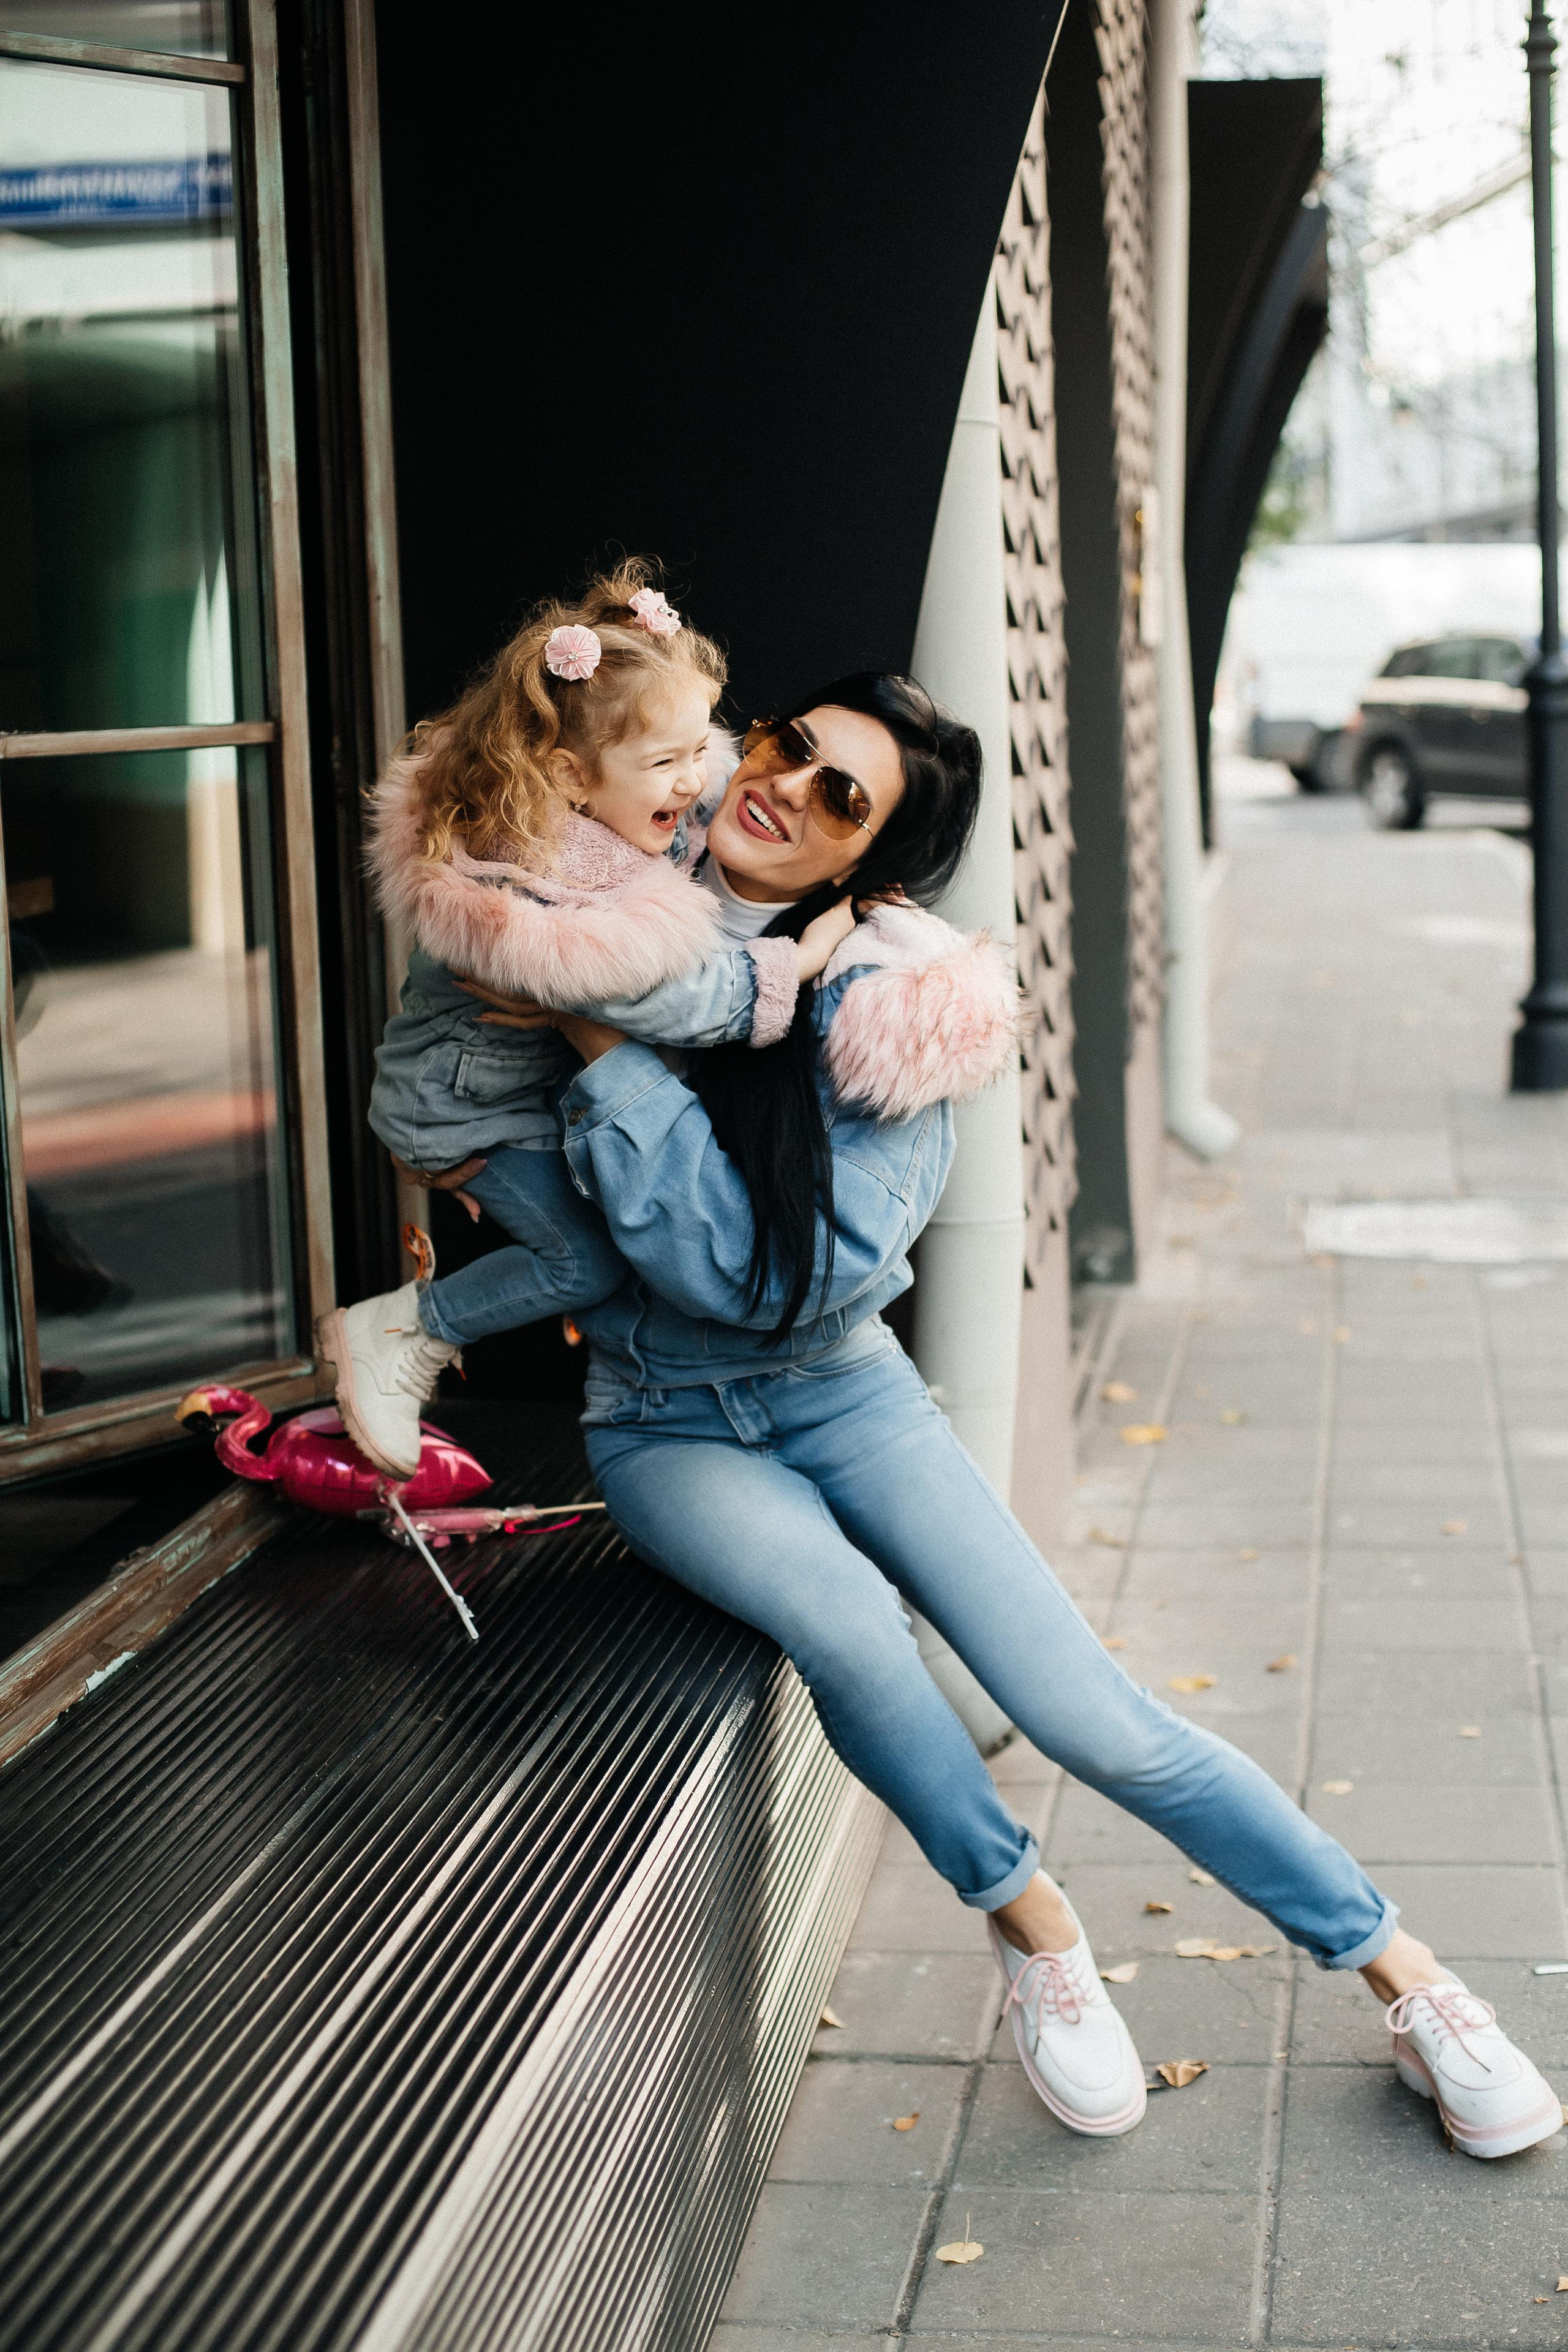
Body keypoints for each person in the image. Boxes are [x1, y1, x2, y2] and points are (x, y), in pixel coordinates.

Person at [409, 669, 1562, 2160]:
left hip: (838, 1389)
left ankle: (1404, 1977)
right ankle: (1033, 1925)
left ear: (864, 866)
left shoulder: (894, 1006)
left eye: (841, 799)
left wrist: (594, 1045)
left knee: (1095, 1717)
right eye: (788, 748)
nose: (787, 788)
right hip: (661, 1419)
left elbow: (762, 1281)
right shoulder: (609, 906)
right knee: (847, 1631)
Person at [317, 560, 854, 1479]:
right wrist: (799, 961)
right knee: (585, 1263)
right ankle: (405, 1329)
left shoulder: (601, 807)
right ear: (567, 776)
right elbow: (677, 1000)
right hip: (463, 1114)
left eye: (700, 751)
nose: (695, 783)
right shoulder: (548, 891)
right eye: (667, 764)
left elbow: (682, 805)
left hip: (496, 1089)